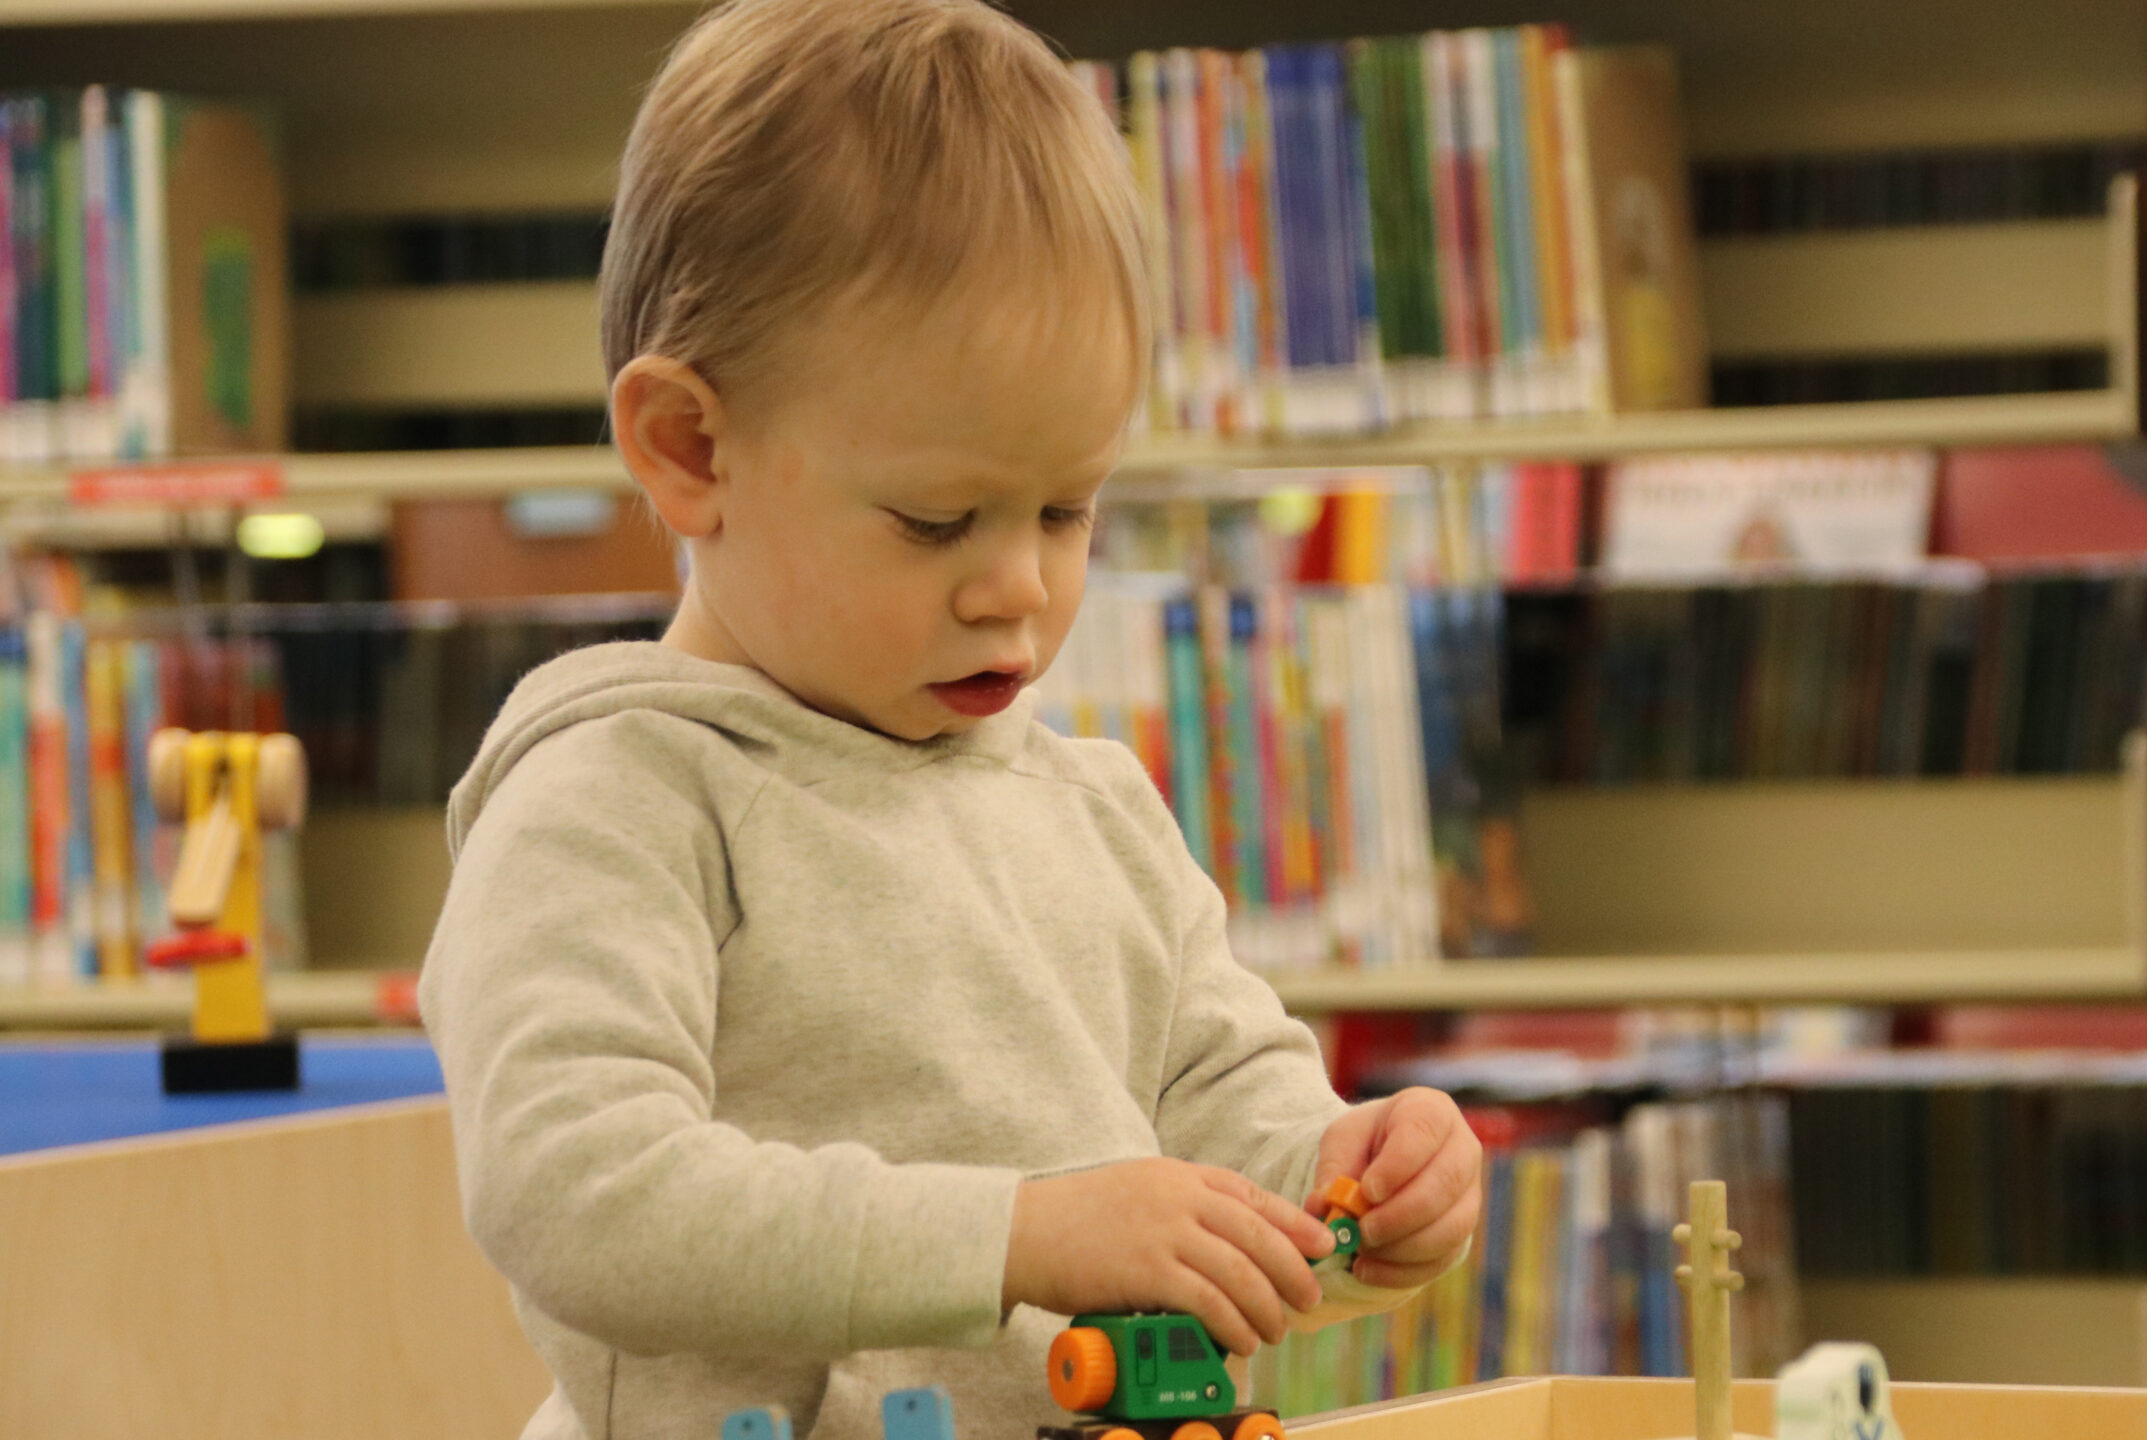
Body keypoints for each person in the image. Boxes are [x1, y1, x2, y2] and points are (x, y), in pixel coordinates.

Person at [417, 3, 1483, 1438]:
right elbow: (577, 1192)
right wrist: (1017, 1236)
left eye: (1065, 509)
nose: (1020, 589)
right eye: (937, 520)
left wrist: (1354, 1186)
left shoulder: (1090, 810)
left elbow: (1220, 1152)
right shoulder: (618, 799)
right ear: (690, 448)